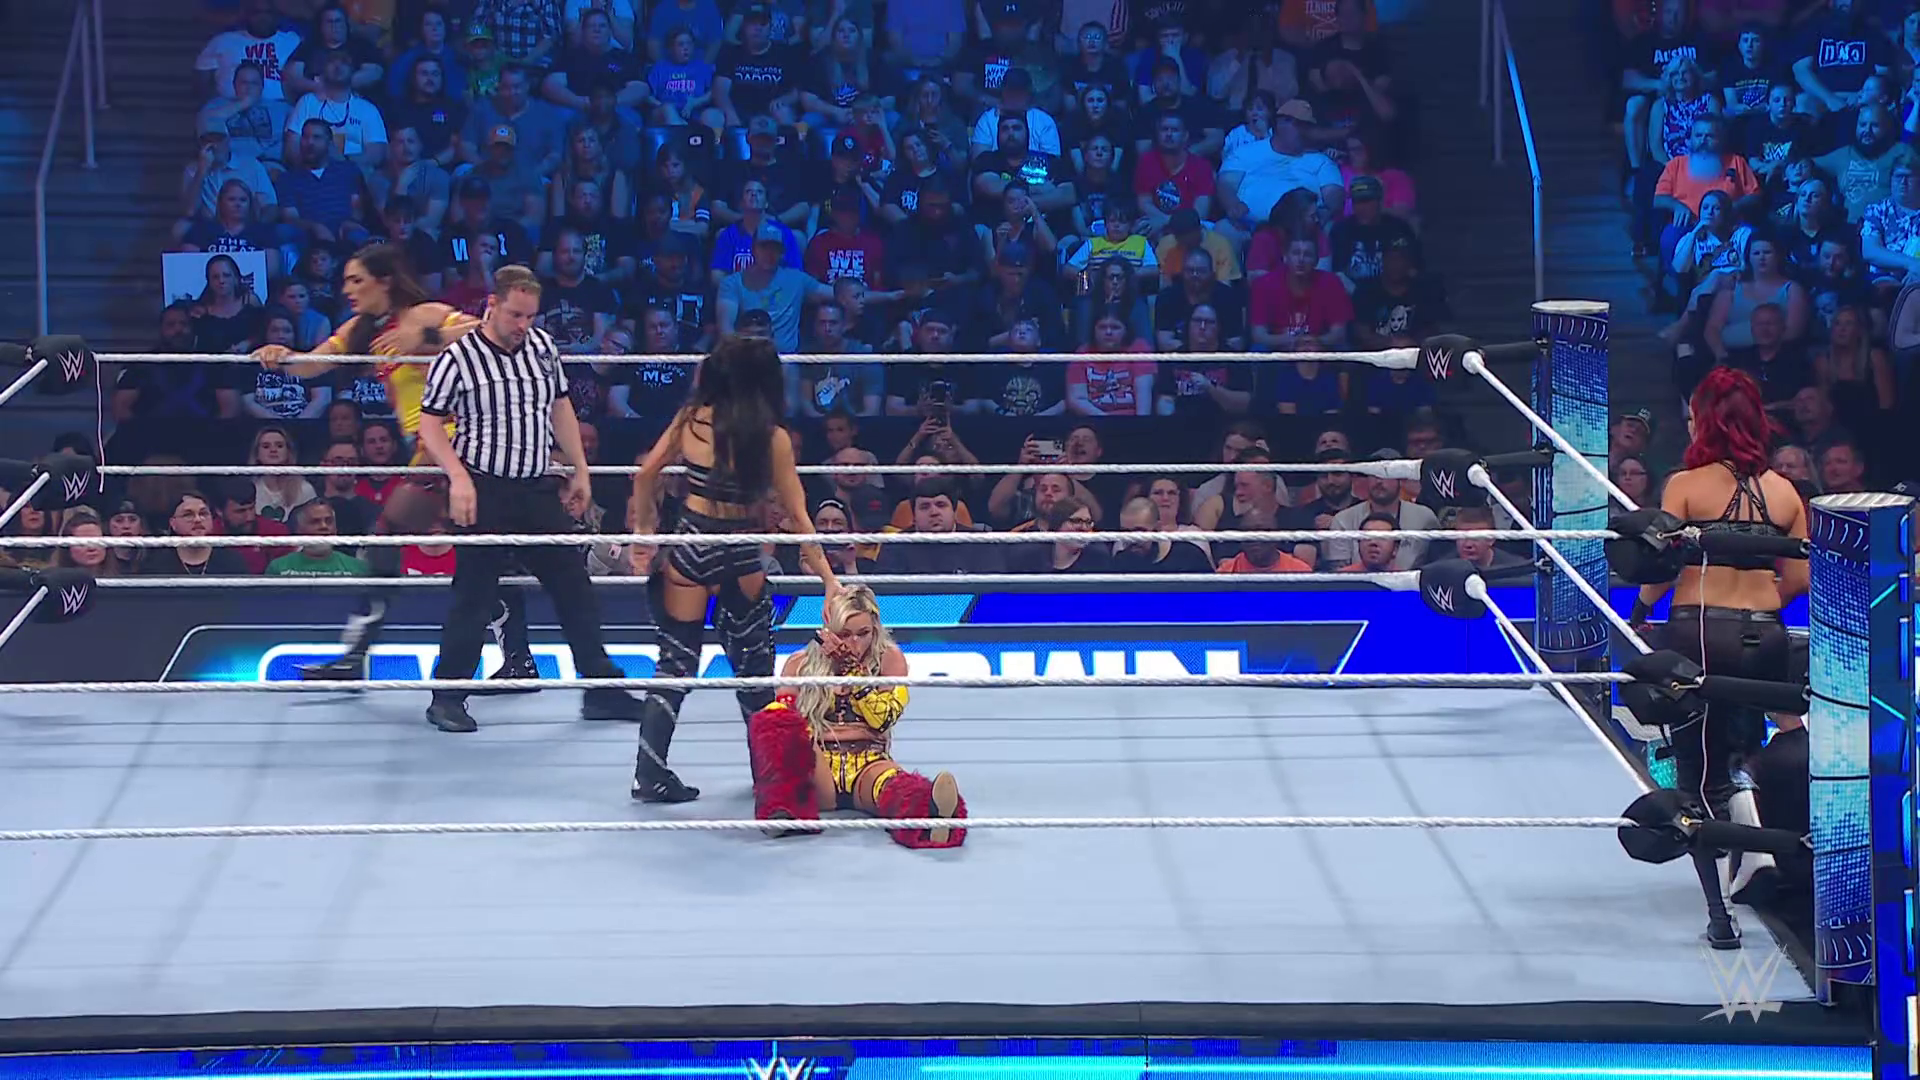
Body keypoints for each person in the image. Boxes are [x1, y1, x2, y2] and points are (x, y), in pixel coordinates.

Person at [413, 264, 646, 734]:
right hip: (483, 488)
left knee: (574, 584)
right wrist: (457, 477)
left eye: (530, 316)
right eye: (515, 315)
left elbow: (561, 407)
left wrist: (579, 470)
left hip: (537, 487)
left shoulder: (541, 348)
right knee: (474, 596)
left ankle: (601, 689)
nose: (523, 325)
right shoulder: (458, 357)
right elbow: (430, 424)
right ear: (492, 305)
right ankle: (447, 697)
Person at [253, 242, 502, 681]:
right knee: (479, 554)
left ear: (384, 281)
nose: (347, 289)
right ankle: (514, 653)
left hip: (458, 441)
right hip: (428, 448)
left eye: (357, 280)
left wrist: (426, 339)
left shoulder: (424, 315)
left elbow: (489, 332)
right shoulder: (361, 330)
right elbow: (314, 364)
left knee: (397, 540)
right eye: (345, 281)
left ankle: (356, 654)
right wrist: (280, 359)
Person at [1631, 365, 1808, 950]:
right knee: (1750, 744)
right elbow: (1798, 578)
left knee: (1695, 772)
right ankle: (1752, 822)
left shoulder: (1685, 485)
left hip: (1703, 632)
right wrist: (1756, 604)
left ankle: (1720, 917)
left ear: (1704, 422)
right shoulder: (1785, 491)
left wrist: (1640, 608)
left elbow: (1662, 565)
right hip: (1768, 634)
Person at [628, 336, 842, 803]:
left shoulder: (692, 420)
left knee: (675, 664)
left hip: (690, 543)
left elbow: (644, 476)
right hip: (739, 549)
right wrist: (829, 579)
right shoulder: (771, 438)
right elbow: (798, 515)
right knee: (753, 671)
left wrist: (645, 532)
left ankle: (649, 772)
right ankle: (770, 778)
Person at [744, 585, 966, 845]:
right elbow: (781, 728)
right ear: (829, 632)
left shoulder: (889, 659)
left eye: (863, 634)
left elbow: (883, 719)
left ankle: (934, 818)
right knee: (772, 719)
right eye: (845, 635)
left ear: (875, 630)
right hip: (819, 766)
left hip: (868, 761)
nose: (854, 643)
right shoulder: (800, 663)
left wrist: (853, 671)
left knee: (896, 789)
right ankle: (784, 810)